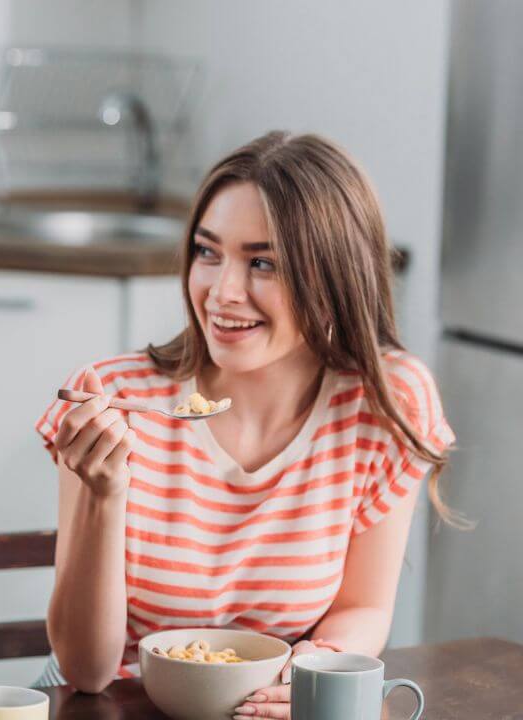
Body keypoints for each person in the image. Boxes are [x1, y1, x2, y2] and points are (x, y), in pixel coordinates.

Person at [35, 132, 458, 720]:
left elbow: (363, 606)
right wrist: (106, 498)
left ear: (335, 278)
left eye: (263, 263)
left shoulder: (387, 404)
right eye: (209, 253)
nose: (221, 292)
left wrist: (315, 673)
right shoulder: (114, 398)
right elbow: (86, 670)